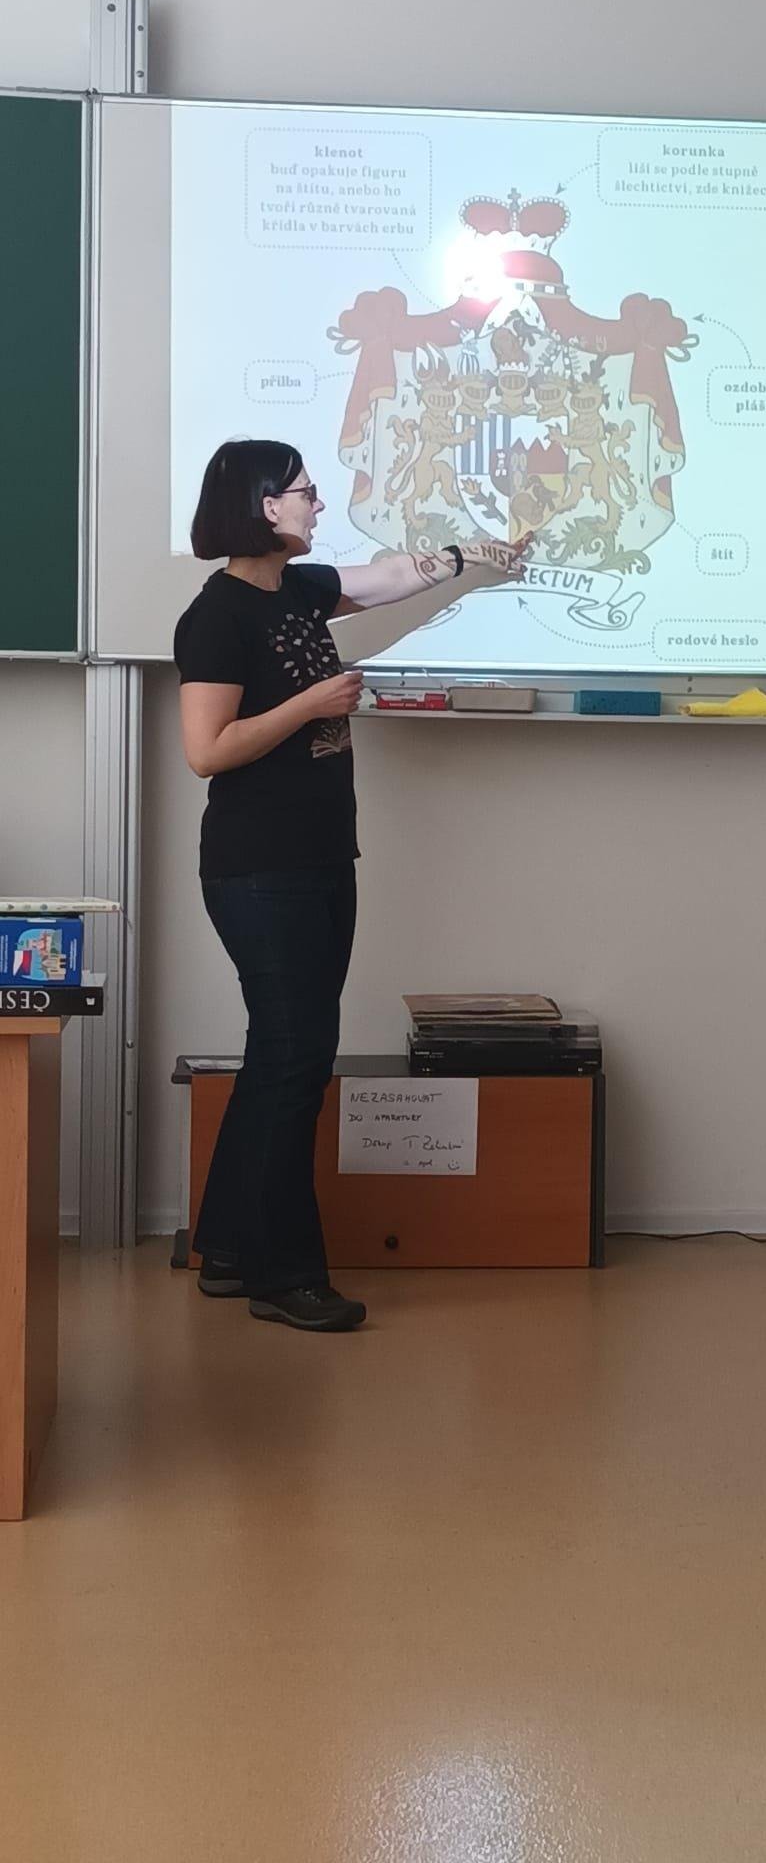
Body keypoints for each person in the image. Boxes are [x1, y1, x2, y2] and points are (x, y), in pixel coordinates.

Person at [173, 439, 527, 1332]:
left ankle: (228, 1249)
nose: (317, 503)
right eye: (303, 491)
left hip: (321, 857)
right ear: (263, 506)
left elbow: (383, 580)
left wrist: (472, 555)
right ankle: (284, 1275)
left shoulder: (295, 590)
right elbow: (206, 751)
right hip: (260, 870)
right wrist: (311, 703)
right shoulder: (214, 617)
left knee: (279, 1056)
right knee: (297, 1061)